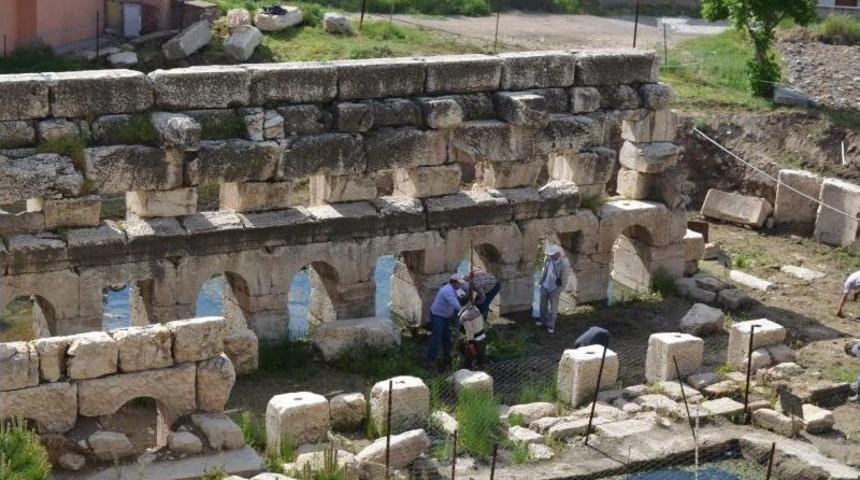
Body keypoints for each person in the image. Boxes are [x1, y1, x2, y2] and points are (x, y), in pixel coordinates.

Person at [427, 274, 467, 367]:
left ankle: (447, 355)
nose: (460, 285)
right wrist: (466, 311)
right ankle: (431, 359)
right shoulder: (447, 290)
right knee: (436, 336)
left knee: (447, 336)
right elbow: (455, 304)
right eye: (459, 283)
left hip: (447, 316)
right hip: (437, 315)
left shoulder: (456, 289)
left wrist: (465, 297)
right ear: (454, 282)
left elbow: (463, 296)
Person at [536, 244, 570, 334]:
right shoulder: (548, 259)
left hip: (554, 289)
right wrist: (541, 283)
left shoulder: (564, 264)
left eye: (552, 254)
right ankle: (543, 321)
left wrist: (558, 290)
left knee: (553, 308)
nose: (550, 256)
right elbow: (544, 270)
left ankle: (551, 325)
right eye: (550, 254)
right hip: (545, 286)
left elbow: (564, 280)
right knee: (542, 305)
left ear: (558, 254)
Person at [458, 303, 487, 369]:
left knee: (469, 363)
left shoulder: (464, 316)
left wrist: (470, 343)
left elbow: (469, 330)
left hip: (476, 341)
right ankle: (482, 370)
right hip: (483, 337)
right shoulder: (476, 309)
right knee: (481, 360)